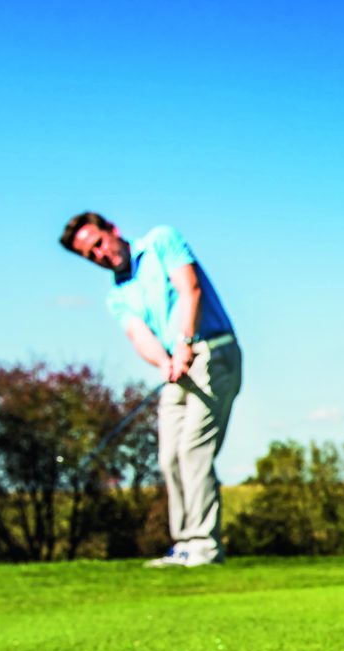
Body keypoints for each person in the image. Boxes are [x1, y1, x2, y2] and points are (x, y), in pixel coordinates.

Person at [60, 212, 241, 567]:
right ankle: (185, 545)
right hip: (174, 366)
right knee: (169, 455)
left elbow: (191, 289)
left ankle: (205, 547)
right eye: (89, 255)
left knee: (193, 450)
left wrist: (185, 342)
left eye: (98, 244)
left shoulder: (161, 241)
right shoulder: (118, 294)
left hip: (212, 351)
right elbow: (139, 336)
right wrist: (164, 362)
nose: (99, 255)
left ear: (112, 230)